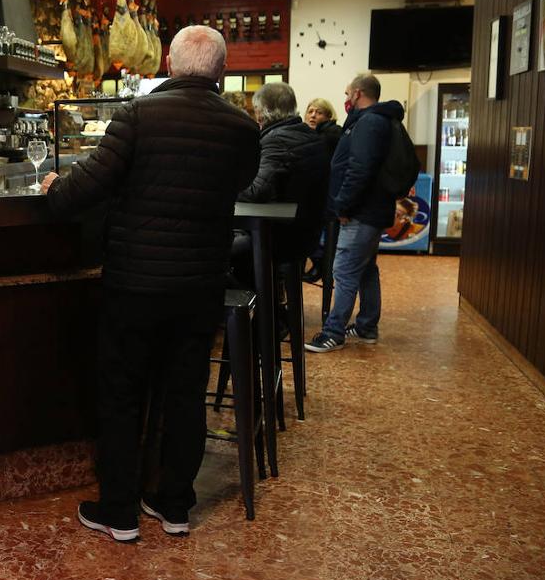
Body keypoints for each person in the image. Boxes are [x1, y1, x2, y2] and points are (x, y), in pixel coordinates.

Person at [41, 26, 260, 541]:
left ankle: (119, 512)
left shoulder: (137, 115)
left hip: (135, 283)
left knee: (122, 394)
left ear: (167, 61)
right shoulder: (242, 128)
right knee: (185, 392)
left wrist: (54, 189)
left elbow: (87, 188)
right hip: (200, 284)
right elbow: (241, 183)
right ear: (222, 70)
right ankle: (175, 505)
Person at [305, 74, 405, 353]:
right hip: (370, 210)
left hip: (361, 212)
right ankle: (366, 326)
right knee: (366, 271)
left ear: (359, 93)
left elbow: (360, 169)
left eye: (348, 92)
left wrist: (343, 205)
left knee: (345, 270)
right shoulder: (376, 119)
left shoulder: (369, 122)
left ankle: (333, 332)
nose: (345, 97)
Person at [233, 82, 330, 282]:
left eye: (256, 110)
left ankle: (250, 307)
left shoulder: (277, 140)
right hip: (305, 234)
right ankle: (270, 304)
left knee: (213, 248)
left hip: (281, 239)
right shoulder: (308, 135)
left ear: (263, 112)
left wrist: (224, 188)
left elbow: (257, 191)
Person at [302, 97, 343, 281]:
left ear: (328, 116)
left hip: (327, 195)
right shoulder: (318, 134)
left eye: (318, 112)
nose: (313, 116)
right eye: (310, 111)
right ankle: (321, 264)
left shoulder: (329, 135)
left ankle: (322, 265)